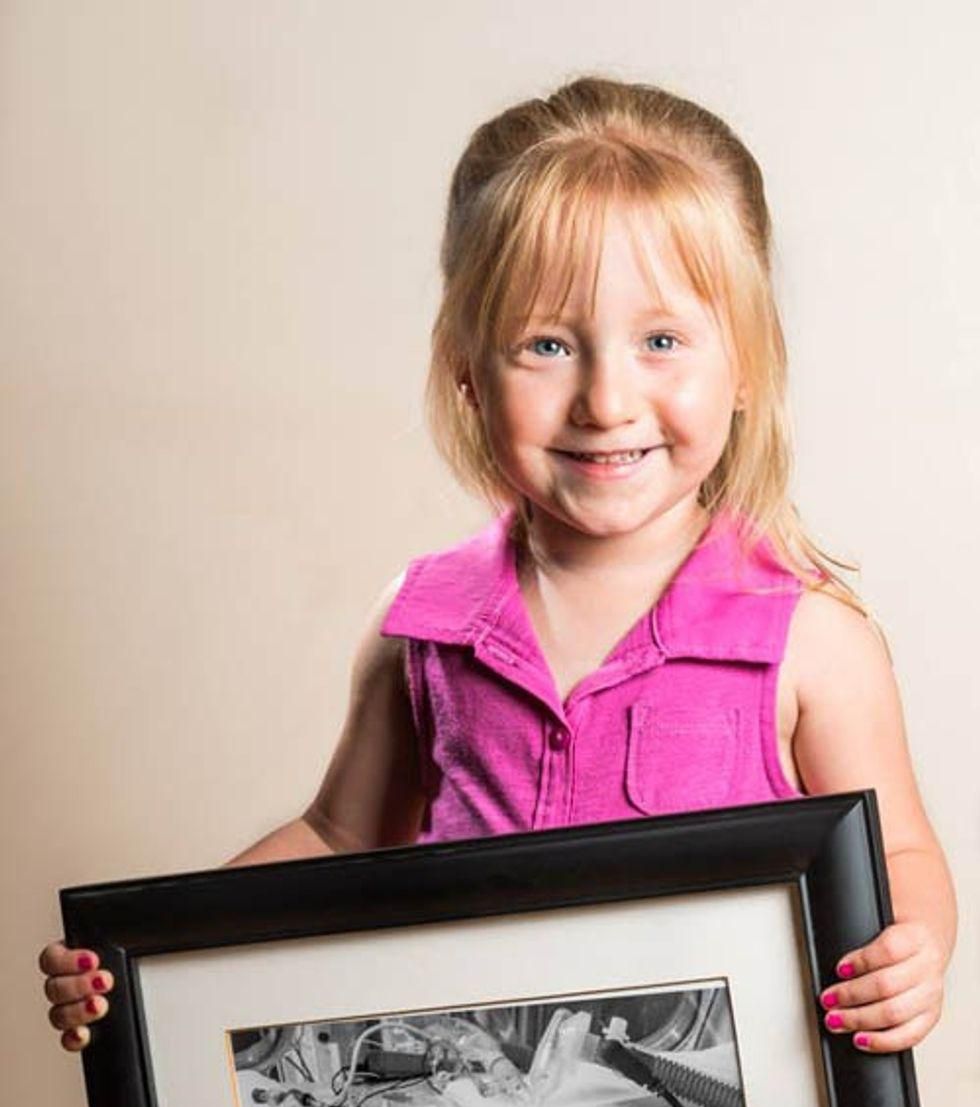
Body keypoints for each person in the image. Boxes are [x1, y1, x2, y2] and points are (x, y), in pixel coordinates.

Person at [39, 75, 955, 1056]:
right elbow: (341, 838)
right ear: (468, 371)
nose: (604, 400)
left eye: (659, 341)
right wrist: (147, 957)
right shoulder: (422, 626)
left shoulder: (810, 645)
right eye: (547, 345)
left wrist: (914, 951)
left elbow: (896, 851)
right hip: (478, 1104)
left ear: (743, 367)